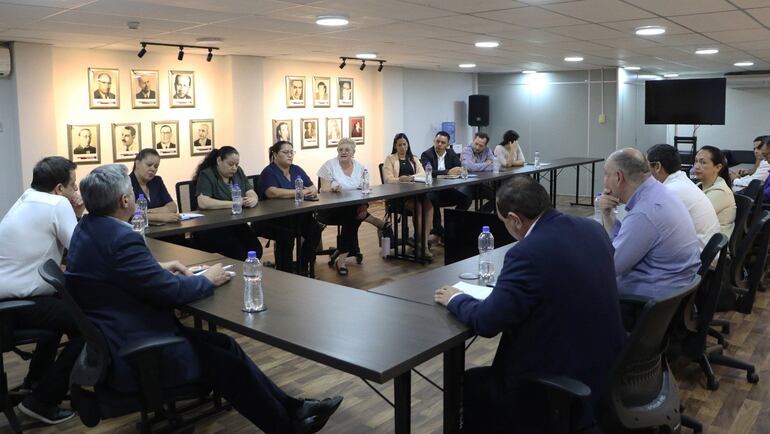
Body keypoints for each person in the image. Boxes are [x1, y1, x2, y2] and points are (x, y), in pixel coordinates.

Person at [66, 164, 343, 434]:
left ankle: (294, 408)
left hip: (120, 332)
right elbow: (171, 293)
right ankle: (287, 427)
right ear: (125, 201)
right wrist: (207, 279)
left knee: (226, 344)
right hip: (137, 346)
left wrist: (158, 267)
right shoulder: (121, 239)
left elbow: (112, 270)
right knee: (229, 367)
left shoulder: (88, 227)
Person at [434, 176, 625, 433]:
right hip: (606, 368)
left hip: (558, 382)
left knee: (473, 384)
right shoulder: (592, 229)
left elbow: (488, 321)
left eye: (503, 221)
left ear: (515, 219)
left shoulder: (527, 252)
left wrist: (455, 298)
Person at [0, 157, 85, 424]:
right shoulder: (57, 204)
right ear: (59, 188)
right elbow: (80, 250)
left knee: (64, 311)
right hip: (17, 304)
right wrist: (79, 212)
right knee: (89, 328)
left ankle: (36, 381)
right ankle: (42, 402)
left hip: (9, 303)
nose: (76, 191)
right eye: (73, 185)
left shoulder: (26, 198)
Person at [599, 148, 700, 298]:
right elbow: (622, 246)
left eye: (606, 174)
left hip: (650, 302)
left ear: (619, 177)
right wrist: (607, 215)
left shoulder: (644, 212)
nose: (604, 180)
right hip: (675, 291)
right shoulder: (660, 192)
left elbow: (611, 267)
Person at [317, 138, 387, 275]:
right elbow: (323, 190)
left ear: (353, 152)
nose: (343, 152)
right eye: (340, 149)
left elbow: (364, 190)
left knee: (352, 216)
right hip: (330, 209)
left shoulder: (360, 168)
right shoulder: (329, 165)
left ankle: (342, 259)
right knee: (353, 216)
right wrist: (332, 189)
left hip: (352, 209)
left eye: (347, 150)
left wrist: (364, 207)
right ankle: (375, 221)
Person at [257, 141, 322, 275]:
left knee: (315, 229)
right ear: (275, 154)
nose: (290, 155)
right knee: (286, 235)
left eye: (292, 152)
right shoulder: (269, 172)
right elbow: (272, 192)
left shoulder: (296, 169)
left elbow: (313, 188)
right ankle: (285, 272)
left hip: (297, 216)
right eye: (285, 152)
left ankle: (302, 265)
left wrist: (305, 191)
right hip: (275, 219)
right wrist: (300, 192)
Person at [647, 144, 720, 251]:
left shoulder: (670, 191)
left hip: (700, 255)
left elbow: (648, 230)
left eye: (646, 166)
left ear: (657, 167)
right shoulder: (681, 182)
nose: (645, 171)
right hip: (706, 249)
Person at [193, 146, 262, 260]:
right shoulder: (207, 174)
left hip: (235, 222)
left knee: (256, 249)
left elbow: (250, 191)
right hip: (212, 227)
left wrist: (253, 199)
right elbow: (203, 202)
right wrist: (235, 203)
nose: (234, 168)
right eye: (230, 164)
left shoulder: (238, 172)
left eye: (236, 164)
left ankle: (249, 270)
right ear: (219, 160)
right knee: (239, 253)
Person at [382, 133, 434, 258]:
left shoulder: (413, 158)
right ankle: (422, 244)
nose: (402, 147)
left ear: (408, 145)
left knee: (429, 206)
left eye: (404, 144)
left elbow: (423, 174)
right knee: (418, 207)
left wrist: (411, 177)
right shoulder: (390, 159)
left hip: (415, 193)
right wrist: (400, 179)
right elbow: (388, 179)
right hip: (398, 196)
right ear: (395, 146)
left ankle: (423, 243)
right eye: (399, 145)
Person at [420, 131, 472, 245]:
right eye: (437, 141)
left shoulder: (451, 153)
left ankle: (451, 224)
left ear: (447, 145)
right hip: (431, 189)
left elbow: (458, 167)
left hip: (446, 189)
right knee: (433, 199)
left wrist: (459, 170)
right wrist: (448, 172)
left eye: (443, 142)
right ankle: (439, 230)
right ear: (434, 141)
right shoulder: (426, 154)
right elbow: (428, 172)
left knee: (466, 199)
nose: (439, 144)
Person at [694, 146, 736, 238]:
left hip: (713, 243)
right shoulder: (699, 186)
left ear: (717, 167)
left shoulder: (721, 192)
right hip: (701, 236)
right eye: (696, 161)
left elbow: (694, 217)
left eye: (703, 162)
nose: (696, 166)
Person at [130, 149, 180, 224]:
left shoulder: (157, 181)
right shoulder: (127, 183)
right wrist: (160, 217)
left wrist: (149, 212)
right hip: (138, 228)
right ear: (137, 163)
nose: (153, 169)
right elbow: (131, 214)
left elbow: (172, 207)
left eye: (156, 166)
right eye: (149, 165)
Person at [462, 132, 496, 212]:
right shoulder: (467, 149)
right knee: (465, 200)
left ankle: (479, 215)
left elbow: (495, 165)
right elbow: (470, 167)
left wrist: (476, 165)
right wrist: (486, 163)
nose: (477, 147)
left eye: (481, 146)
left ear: (485, 145)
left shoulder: (487, 150)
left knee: (497, 199)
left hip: (481, 183)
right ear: (473, 140)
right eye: (476, 144)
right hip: (467, 183)